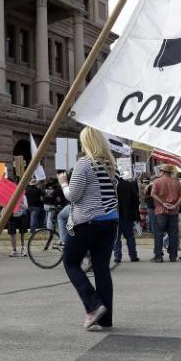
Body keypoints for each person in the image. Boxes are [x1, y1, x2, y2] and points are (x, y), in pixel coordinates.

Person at [58, 127, 118, 330]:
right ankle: (106, 319)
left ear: (86, 143)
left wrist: (64, 183)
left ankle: (93, 305)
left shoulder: (84, 163)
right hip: (110, 222)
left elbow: (73, 196)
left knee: (70, 262)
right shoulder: (111, 165)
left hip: (87, 221)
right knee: (102, 268)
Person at [150, 163, 181, 262]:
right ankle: (173, 256)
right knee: (173, 234)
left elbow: (153, 194)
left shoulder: (157, 181)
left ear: (162, 171)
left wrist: (163, 203)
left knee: (159, 234)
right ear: (171, 172)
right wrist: (175, 205)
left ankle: (159, 256)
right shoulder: (177, 182)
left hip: (160, 211)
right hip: (173, 211)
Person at [112, 175, 141, 264]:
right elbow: (136, 198)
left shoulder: (110, 185)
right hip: (127, 215)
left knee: (116, 238)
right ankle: (133, 256)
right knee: (130, 236)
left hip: (114, 215)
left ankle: (117, 257)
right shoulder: (127, 184)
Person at [7, 191, 29, 257]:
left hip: (22, 216)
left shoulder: (23, 196)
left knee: (22, 233)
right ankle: (14, 250)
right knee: (12, 233)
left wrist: (20, 202)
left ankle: (23, 249)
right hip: (12, 216)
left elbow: (26, 207)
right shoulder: (10, 197)